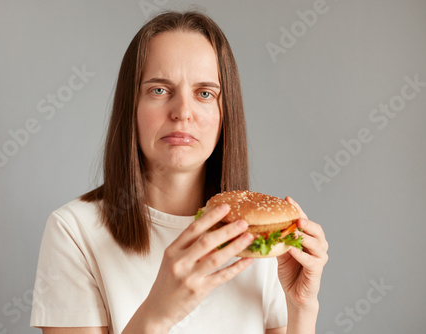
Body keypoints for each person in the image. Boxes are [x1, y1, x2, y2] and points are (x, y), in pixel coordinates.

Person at [30, 10, 328, 334]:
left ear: (225, 112)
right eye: (159, 90)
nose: (182, 112)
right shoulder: (74, 231)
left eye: (204, 93)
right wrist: (156, 314)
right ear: (131, 105)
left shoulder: (265, 239)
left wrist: (301, 309)